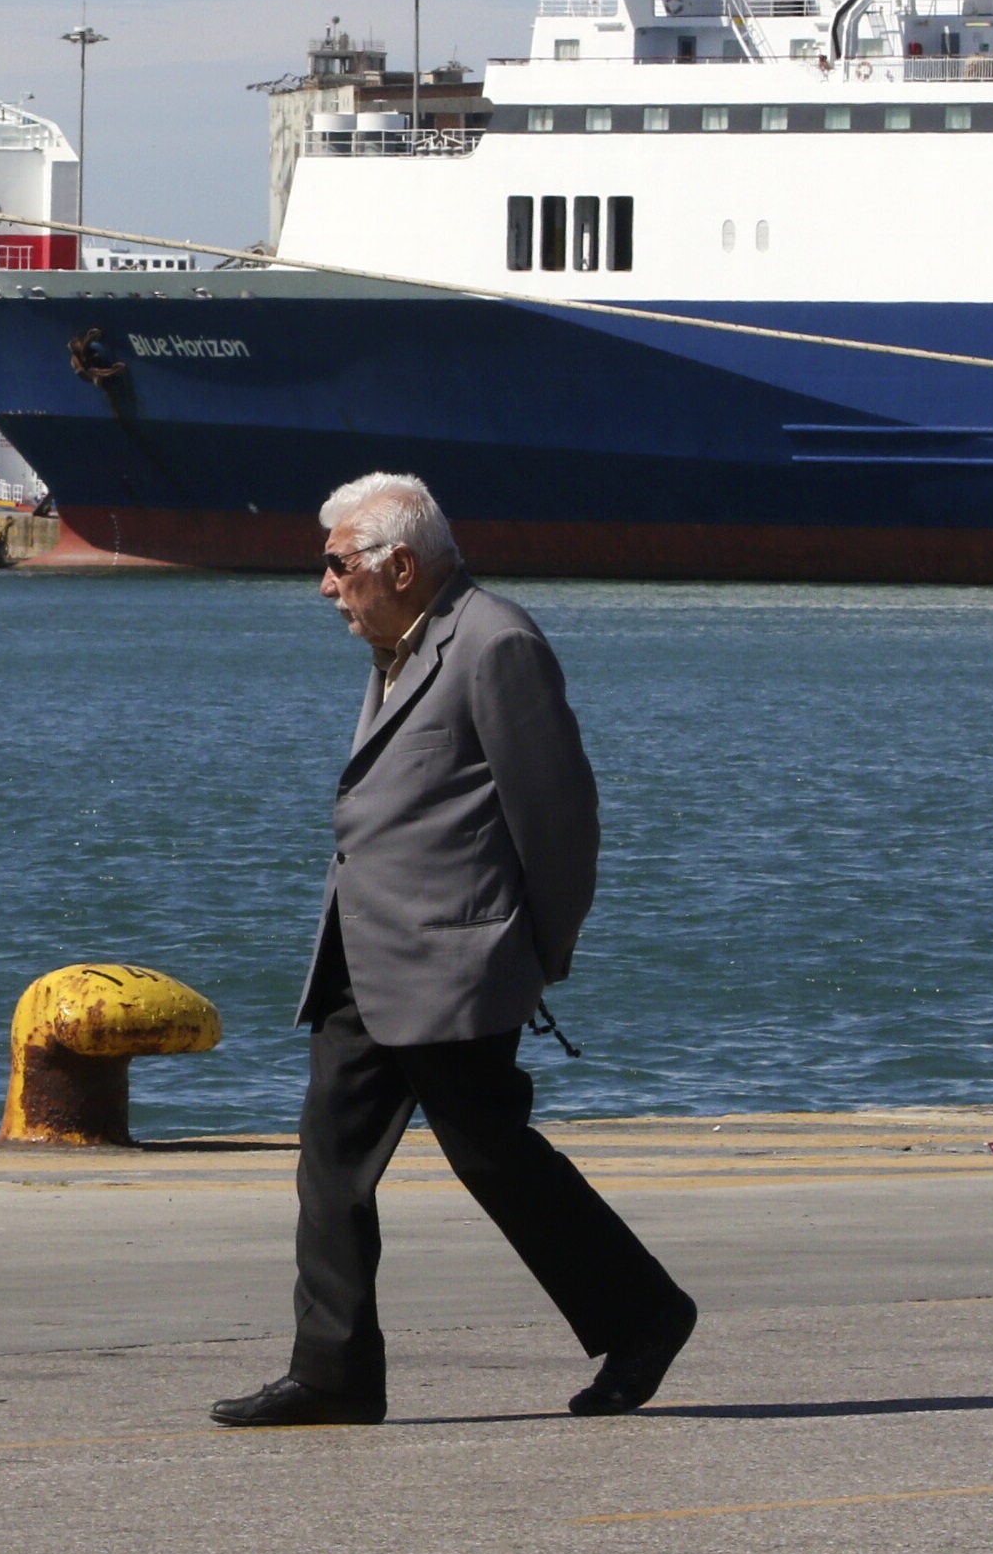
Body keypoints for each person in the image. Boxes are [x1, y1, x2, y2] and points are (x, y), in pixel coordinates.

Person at [212, 472, 697, 1428]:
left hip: (455, 965)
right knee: (330, 1159)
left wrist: (535, 955)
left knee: (493, 1159)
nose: (324, 587)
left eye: (337, 567)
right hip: (362, 953)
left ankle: (645, 1314)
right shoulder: (399, 640)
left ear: (398, 565)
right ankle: (334, 1372)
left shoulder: (494, 640)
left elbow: (559, 818)